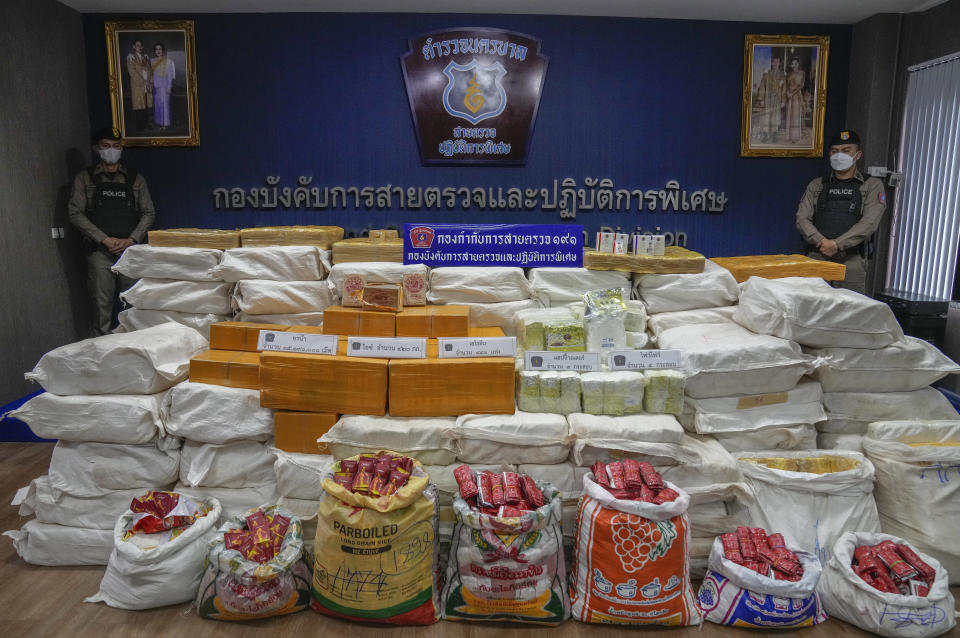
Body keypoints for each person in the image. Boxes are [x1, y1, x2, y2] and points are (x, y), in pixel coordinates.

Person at [68, 127, 155, 335]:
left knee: (135, 305)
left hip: (130, 251)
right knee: (101, 310)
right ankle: (101, 358)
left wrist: (131, 239)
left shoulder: (135, 179)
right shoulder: (85, 179)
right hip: (100, 253)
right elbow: (75, 213)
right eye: (106, 146)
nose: (111, 150)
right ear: (96, 148)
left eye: (116, 146)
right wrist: (104, 239)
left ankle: (135, 351)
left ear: (122, 148)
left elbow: (149, 213)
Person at [795, 130, 887, 295]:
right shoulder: (817, 185)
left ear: (858, 155)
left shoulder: (872, 185)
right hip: (817, 256)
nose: (839, 155)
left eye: (846, 151)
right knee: (811, 308)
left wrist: (837, 244)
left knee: (850, 311)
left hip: (851, 261)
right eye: (834, 151)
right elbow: (802, 219)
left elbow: (869, 223)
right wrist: (823, 242)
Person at [755, 56, 785, 143]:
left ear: (779, 63)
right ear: (771, 63)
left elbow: (784, 89)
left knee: (775, 117)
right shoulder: (766, 74)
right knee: (766, 117)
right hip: (768, 99)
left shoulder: (782, 76)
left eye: (777, 62)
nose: (775, 64)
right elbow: (762, 87)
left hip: (777, 100)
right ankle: (765, 135)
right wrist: (761, 99)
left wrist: (783, 100)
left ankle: (774, 135)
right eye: (774, 62)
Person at [125, 39, 152, 132]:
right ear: (133, 47)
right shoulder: (131, 58)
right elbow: (132, 72)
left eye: (140, 45)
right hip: (138, 85)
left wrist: (148, 81)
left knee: (146, 105)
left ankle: (146, 124)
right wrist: (142, 81)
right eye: (137, 45)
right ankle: (140, 127)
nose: (139, 47)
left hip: (146, 84)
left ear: (142, 47)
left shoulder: (145, 57)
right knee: (139, 106)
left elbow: (150, 70)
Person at [152, 42, 175, 130]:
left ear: (163, 50)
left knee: (165, 105)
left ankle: (165, 125)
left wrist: (169, 87)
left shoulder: (168, 61)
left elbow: (170, 76)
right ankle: (160, 124)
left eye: (160, 49)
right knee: (158, 105)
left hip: (165, 87)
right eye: (156, 49)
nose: (158, 51)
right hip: (156, 87)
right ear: (155, 51)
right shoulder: (152, 61)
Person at [785, 57, 806, 144]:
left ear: (798, 64)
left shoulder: (802, 73)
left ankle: (796, 137)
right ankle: (790, 136)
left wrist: (792, 93)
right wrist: (787, 93)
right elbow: (786, 85)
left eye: (795, 63)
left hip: (797, 96)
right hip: (790, 97)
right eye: (792, 64)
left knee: (796, 116)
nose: (794, 65)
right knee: (790, 115)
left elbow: (801, 85)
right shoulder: (789, 74)